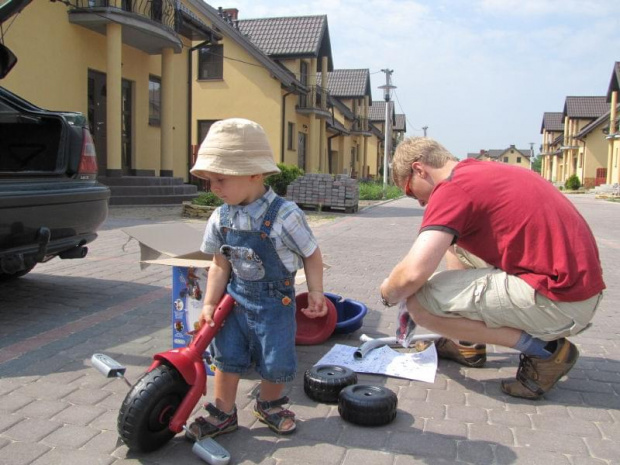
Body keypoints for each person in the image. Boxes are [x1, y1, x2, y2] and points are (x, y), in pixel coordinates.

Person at [380, 137, 605, 399]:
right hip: (576, 289)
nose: (419, 202)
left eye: (410, 190)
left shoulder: (453, 188)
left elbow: (410, 275)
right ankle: (467, 343)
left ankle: (548, 352)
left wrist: (387, 294)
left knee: (419, 300)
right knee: (454, 241)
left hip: (559, 301)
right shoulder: (478, 171)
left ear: (419, 169)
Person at [187, 118, 328, 438]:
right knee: (227, 356)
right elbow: (219, 264)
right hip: (234, 302)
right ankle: (223, 411)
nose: (214, 188)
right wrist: (209, 302)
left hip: (275, 305)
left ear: (254, 173)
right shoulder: (220, 215)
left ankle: (270, 404)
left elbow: (311, 253)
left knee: (276, 357)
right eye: (210, 180)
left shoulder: (285, 214)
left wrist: (316, 291)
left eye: (220, 179)